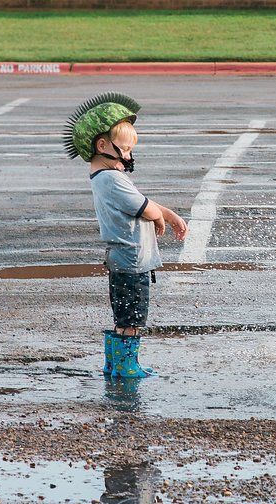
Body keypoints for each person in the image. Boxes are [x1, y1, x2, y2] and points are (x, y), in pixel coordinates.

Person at [63, 92, 187, 378]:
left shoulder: (106, 178)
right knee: (132, 317)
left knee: (124, 315)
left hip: (124, 258)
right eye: (125, 149)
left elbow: (143, 202)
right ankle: (125, 366)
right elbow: (144, 206)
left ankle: (115, 363)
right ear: (102, 145)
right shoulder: (112, 179)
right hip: (131, 260)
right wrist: (163, 217)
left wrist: (164, 214)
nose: (129, 157)